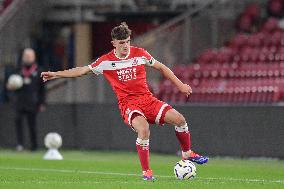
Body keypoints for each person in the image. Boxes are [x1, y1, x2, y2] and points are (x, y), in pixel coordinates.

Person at [41, 22, 208, 180]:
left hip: (148, 100)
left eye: (127, 41)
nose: (125, 45)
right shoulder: (105, 61)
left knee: (180, 119)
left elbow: (161, 67)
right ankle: (147, 171)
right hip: (129, 105)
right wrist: (56, 74)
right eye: (121, 42)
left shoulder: (140, 54)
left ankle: (187, 153)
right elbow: (82, 70)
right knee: (144, 129)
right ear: (113, 43)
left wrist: (181, 85)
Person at [7, 48, 46, 151]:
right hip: (19, 101)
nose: (27, 58)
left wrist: (42, 103)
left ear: (34, 57)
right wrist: (10, 87)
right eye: (25, 56)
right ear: (23, 57)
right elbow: (9, 85)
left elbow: (42, 89)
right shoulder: (17, 70)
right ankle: (20, 144)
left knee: (32, 125)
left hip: (33, 102)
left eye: (29, 56)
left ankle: (34, 146)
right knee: (18, 122)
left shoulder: (39, 71)